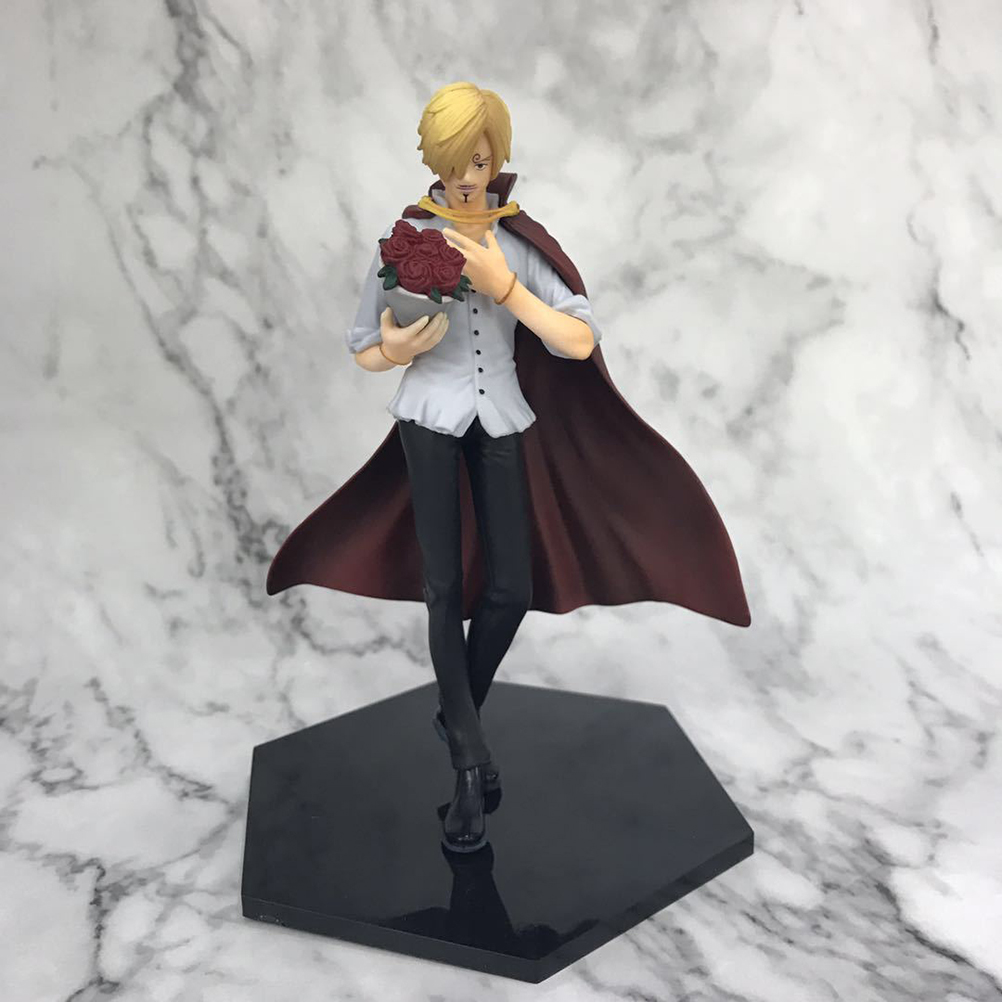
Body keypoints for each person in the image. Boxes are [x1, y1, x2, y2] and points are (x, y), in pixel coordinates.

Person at [266, 82, 752, 852]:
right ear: (434, 161)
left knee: (511, 587)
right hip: (431, 418)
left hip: (502, 418)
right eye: (455, 161)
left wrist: (508, 290)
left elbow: (579, 340)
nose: (469, 176)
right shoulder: (405, 237)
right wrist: (396, 347)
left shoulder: (519, 240)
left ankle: (454, 710)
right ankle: (469, 761)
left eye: (481, 160)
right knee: (442, 589)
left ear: (497, 161)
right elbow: (363, 344)